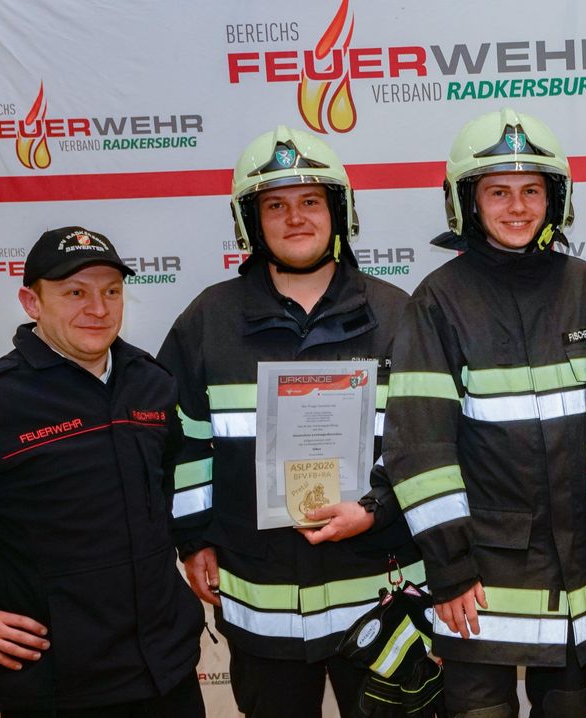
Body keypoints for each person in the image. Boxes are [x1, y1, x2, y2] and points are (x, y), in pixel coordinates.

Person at [157, 127, 422, 718]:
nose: (294, 218)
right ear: (252, 222)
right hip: (263, 599)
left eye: (310, 202)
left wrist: (376, 509)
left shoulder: (397, 314)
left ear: (339, 212)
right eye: (275, 205)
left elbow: (424, 444)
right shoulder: (209, 320)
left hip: (376, 596)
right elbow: (186, 441)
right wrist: (194, 536)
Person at [383, 107, 586, 718]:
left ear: (554, 198)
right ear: (467, 203)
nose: (517, 207)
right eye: (497, 191)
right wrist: (449, 570)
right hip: (478, 579)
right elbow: (420, 449)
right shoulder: (439, 300)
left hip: (576, 572)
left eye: (532, 190)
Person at [0, 227, 203, 717]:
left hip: (167, 672)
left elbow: (174, 489)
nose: (99, 309)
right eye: (75, 293)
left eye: (111, 291)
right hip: (59, 686)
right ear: (31, 302)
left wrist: (196, 544)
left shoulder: (152, 384)